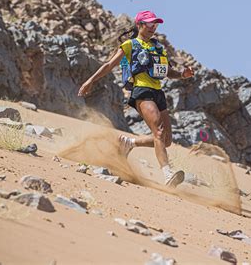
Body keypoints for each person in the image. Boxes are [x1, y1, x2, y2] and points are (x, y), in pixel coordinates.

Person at [78, 10, 194, 187]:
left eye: (155, 25)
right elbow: (110, 65)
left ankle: (129, 142)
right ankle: (167, 174)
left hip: (158, 93)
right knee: (159, 132)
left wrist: (182, 75)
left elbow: (168, 71)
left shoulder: (158, 47)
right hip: (142, 91)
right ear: (139, 25)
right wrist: (90, 81)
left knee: (166, 140)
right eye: (149, 24)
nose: (153, 28)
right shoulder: (130, 44)